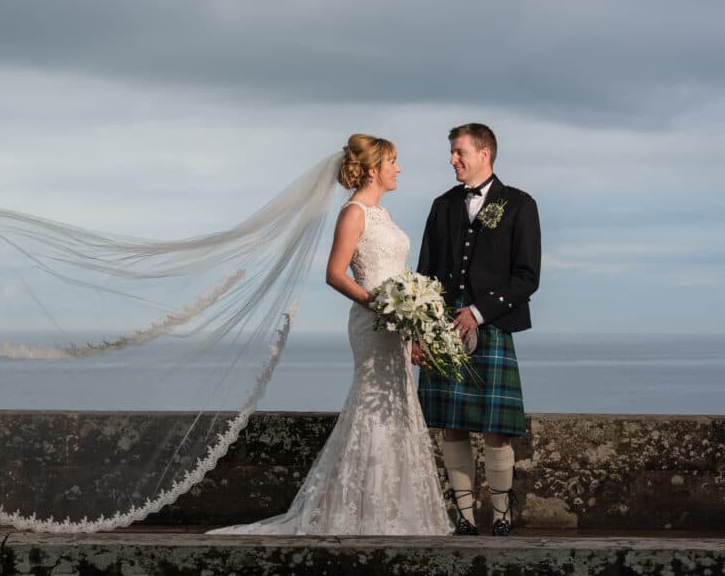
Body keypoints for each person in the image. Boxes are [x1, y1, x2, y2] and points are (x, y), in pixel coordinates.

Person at [209, 135, 453, 535]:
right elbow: (334, 273)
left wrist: (413, 323)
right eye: (393, 161)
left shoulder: (384, 216)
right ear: (373, 168)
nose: (399, 168)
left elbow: (399, 275)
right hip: (373, 322)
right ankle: (367, 512)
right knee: (373, 404)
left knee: (398, 403)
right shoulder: (354, 212)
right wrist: (381, 304)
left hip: (397, 325)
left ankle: (396, 510)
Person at [414, 123, 541, 537]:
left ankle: (502, 515)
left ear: (484, 153)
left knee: (497, 430)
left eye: (458, 152)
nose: (452, 159)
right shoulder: (443, 205)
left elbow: (527, 277)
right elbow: (425, 275)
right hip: (444, 326)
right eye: (452, 153)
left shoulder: (520, 204)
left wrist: (479, 312)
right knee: (452, 424)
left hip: (492, 324)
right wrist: (422, 332)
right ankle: (465, 517)